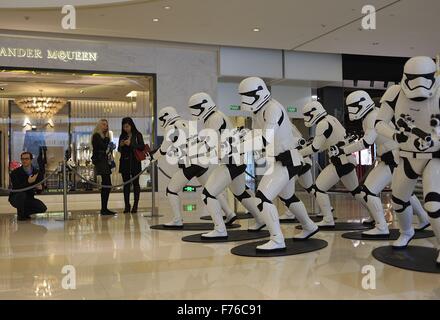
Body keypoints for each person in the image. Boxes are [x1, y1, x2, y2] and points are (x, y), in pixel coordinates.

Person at [238, 77, 319, 251]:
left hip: (288, 159)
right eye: (243, 96)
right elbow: (256, 135)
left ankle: (277, 239)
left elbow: (264, 138)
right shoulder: (258, 111)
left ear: (259, 93)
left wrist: (238, 146)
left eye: (248, 95)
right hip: (281, 159)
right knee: (288, 197)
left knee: (262, 197)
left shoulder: (272, 108)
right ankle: (309, 226)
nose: (244, 100)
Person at [376, 56, 440, 264]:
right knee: (398, 200)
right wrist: (395, 135)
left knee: (433, 204)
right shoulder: (395, 93)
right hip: (407, 156)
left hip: (434, 157)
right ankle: (407, 231)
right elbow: (379, 122)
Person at [9, 151, 47, 221]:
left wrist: (40, 188)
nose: (24, 161)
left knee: (42, 208)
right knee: (21, 195)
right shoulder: (15, 173)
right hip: (16, 197)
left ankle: (24, 213)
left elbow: (39, 190)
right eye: (22, 159)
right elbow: (17, 188)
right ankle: (21, 216)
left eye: (26, 159)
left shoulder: (36, 172)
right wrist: (28, 182)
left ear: (31, 160)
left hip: (29, 198)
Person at [118, 117, 145, 213]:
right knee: (126, 185)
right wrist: (121, 145)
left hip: (135, 163)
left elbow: (142, 147)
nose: (126, 129)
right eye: (124, 127)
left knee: (136, 184)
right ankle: (127, 205)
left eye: (127, 126)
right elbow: (119, 150)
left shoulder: (138, 135)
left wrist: (131, 144)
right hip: (124, 162)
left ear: (131, 125)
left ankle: (135, 205)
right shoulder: (122, 135)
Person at [91, 119, 116, 216]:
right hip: (101, 162)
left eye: (107, 125)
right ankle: (104, 208)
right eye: (104, 125)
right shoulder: (97, 136)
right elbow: (104, 147)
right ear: (99, 126)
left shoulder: (105, 137)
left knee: (107, 184)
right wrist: (107, 141)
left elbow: (107, 148)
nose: (106, 126)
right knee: (106, 184)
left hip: (105, 161)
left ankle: (104, 208)